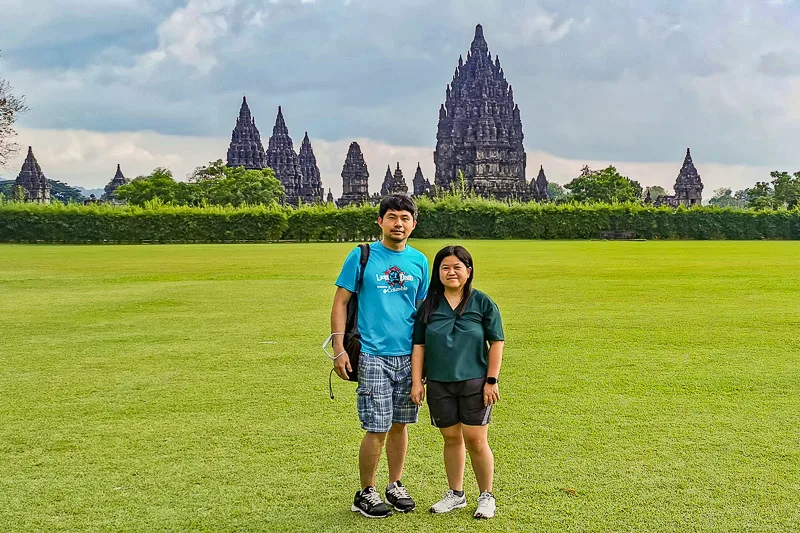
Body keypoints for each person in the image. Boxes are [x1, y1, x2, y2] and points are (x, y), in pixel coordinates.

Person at [330, 195, 430, 519]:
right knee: (377, 426)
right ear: (380, 221)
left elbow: (424, 312)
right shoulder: (362, 256)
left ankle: (395, 484)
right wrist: (339, 348)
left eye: (404, 217)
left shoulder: (419, 262)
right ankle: (367, 491)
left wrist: (427, 360)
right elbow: (340, 303)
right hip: (373, 355)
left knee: (401, 425)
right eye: (391, 217)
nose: (398, 223)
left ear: (413, 224)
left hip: (409, 355)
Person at [410, 245, 505, 519]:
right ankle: (456, 494)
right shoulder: (428, 306)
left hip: (475, 381)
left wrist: (492, 380)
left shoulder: (482, 302)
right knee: (451, 438)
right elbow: (419, 346)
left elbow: (496, 341)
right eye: (445, 267)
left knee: (476, 439)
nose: (451, 272)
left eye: (457, 267)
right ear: (437, 273)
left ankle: (486, 495)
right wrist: (417, 382)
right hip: (440, 383)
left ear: (468, 271)